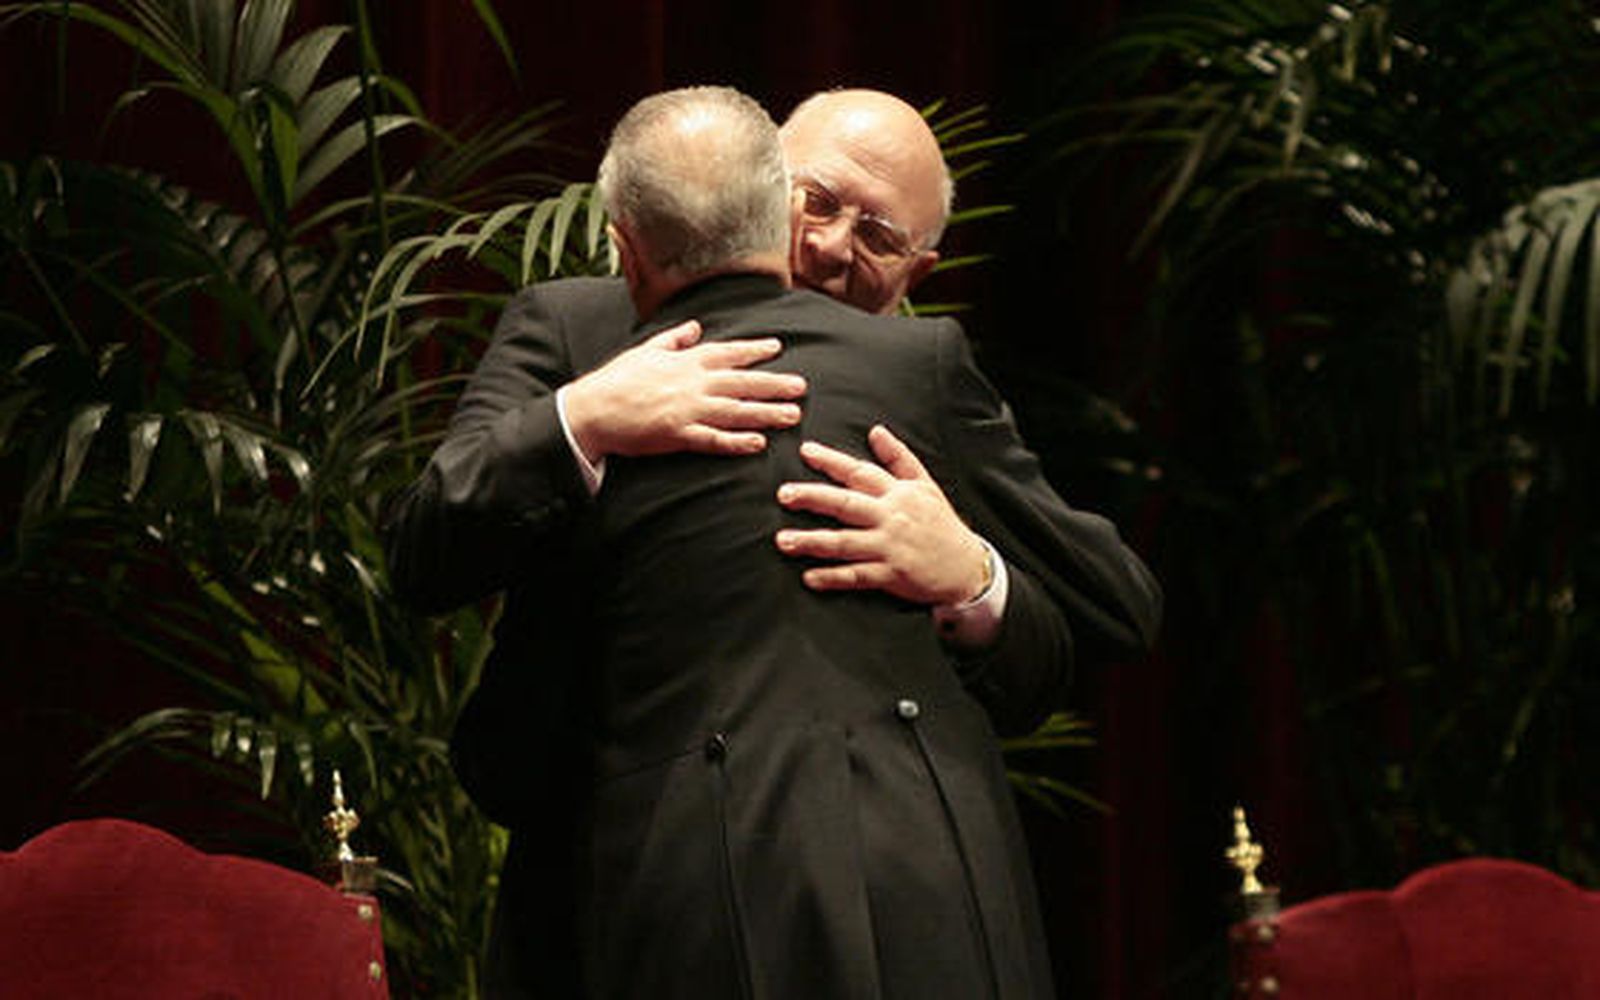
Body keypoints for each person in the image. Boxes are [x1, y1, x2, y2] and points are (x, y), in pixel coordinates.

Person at [384, 88, 1160, 997]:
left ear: (919, 270)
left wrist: (969, 577)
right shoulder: (581, 328)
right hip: (621, 867)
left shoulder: (919, 375)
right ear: (764, 182)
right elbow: (424, 546)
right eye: (819, 200)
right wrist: (581, 419)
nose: (833, 246)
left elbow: (1111, 608)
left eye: (878, 236)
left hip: (903, 887)